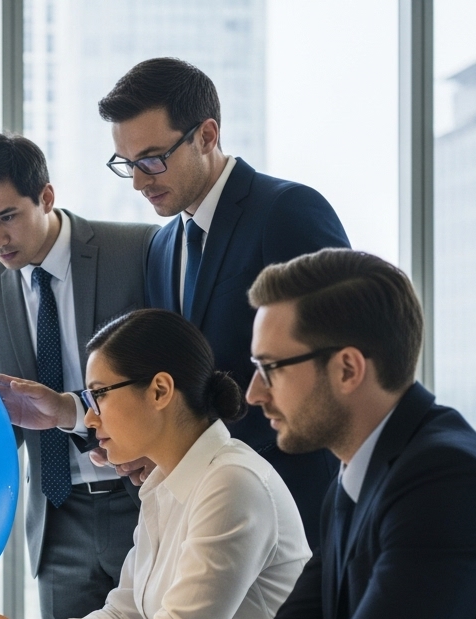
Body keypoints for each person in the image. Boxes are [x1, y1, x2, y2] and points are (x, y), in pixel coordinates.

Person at [67, 250, 476, 619]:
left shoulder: (447, 480)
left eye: (271, 368)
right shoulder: (361, 476)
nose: (254, 392)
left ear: (348, 369)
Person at [0, 309, 309, 619]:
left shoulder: (232, 482)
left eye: (98, 396)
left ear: (160, 391)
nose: (89, 420)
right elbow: (124, 616)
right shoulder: (162, 484)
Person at [98, 57, 349, 548]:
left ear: (207, 135)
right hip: (206, 512)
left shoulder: (287, 211)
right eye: (127, 164)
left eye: (152, 158)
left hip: (298, 502)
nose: (138, 181)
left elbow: (340, 358)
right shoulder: (162, 247)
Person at [0, 133, 156, 619]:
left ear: (46, 196)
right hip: (57, 522)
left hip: (146, 501)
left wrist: (70, 407)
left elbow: (167, 376)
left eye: (7, 217)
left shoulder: (136, 251)